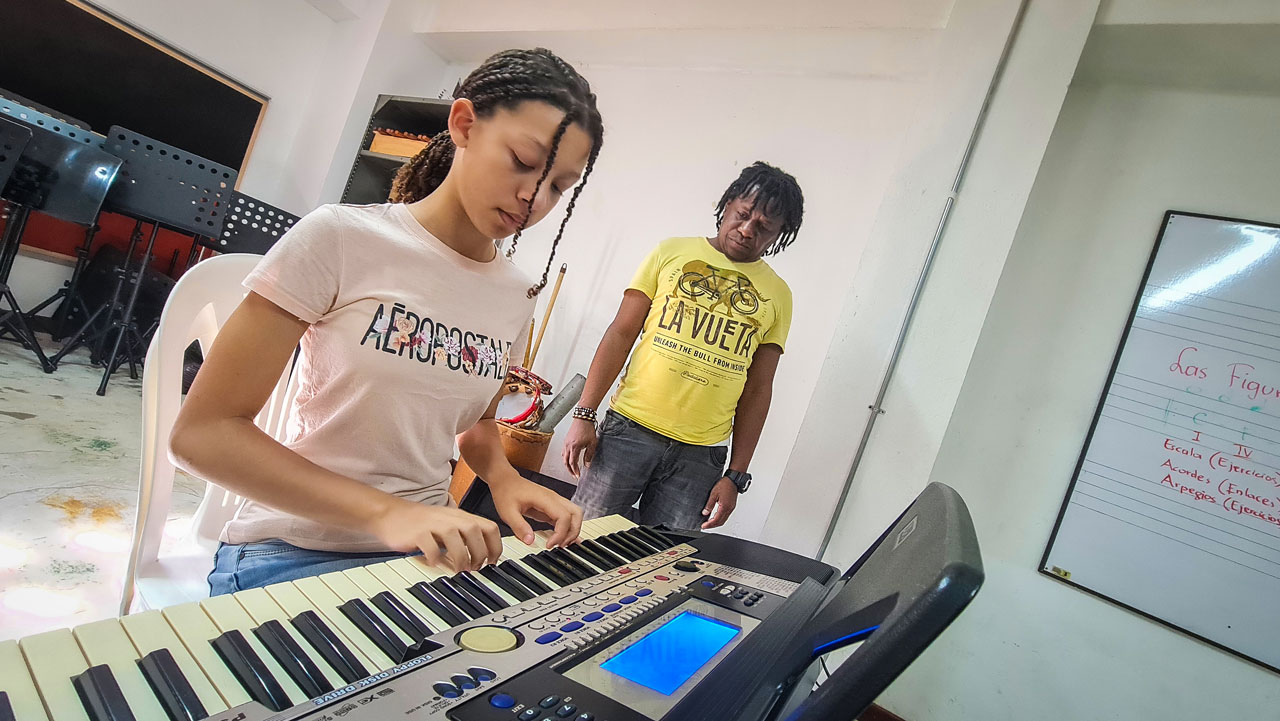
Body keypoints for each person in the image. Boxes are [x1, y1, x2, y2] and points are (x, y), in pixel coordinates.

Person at [170, 48, 604, 596]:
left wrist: (504, 477)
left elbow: (478, 424)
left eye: (560, 186)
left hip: (424, 558)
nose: (535, 198)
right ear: (464, 124)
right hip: (296, 549)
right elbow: (202, 435)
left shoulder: (515, 294)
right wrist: (388, 516)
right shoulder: (341, 239)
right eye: (522, 159)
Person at [563, 162, 804, 531]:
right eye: (742, 215)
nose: (746, 230)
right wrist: (584, 414)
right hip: (628, 432)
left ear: (778, 235)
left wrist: (736, 476)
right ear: (727, 205)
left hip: (700, 458)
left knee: (662, 567)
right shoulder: (670, 252)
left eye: (763, 228)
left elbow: (759, 388)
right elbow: (620, 333)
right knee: (580, 542)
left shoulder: (778, 295)